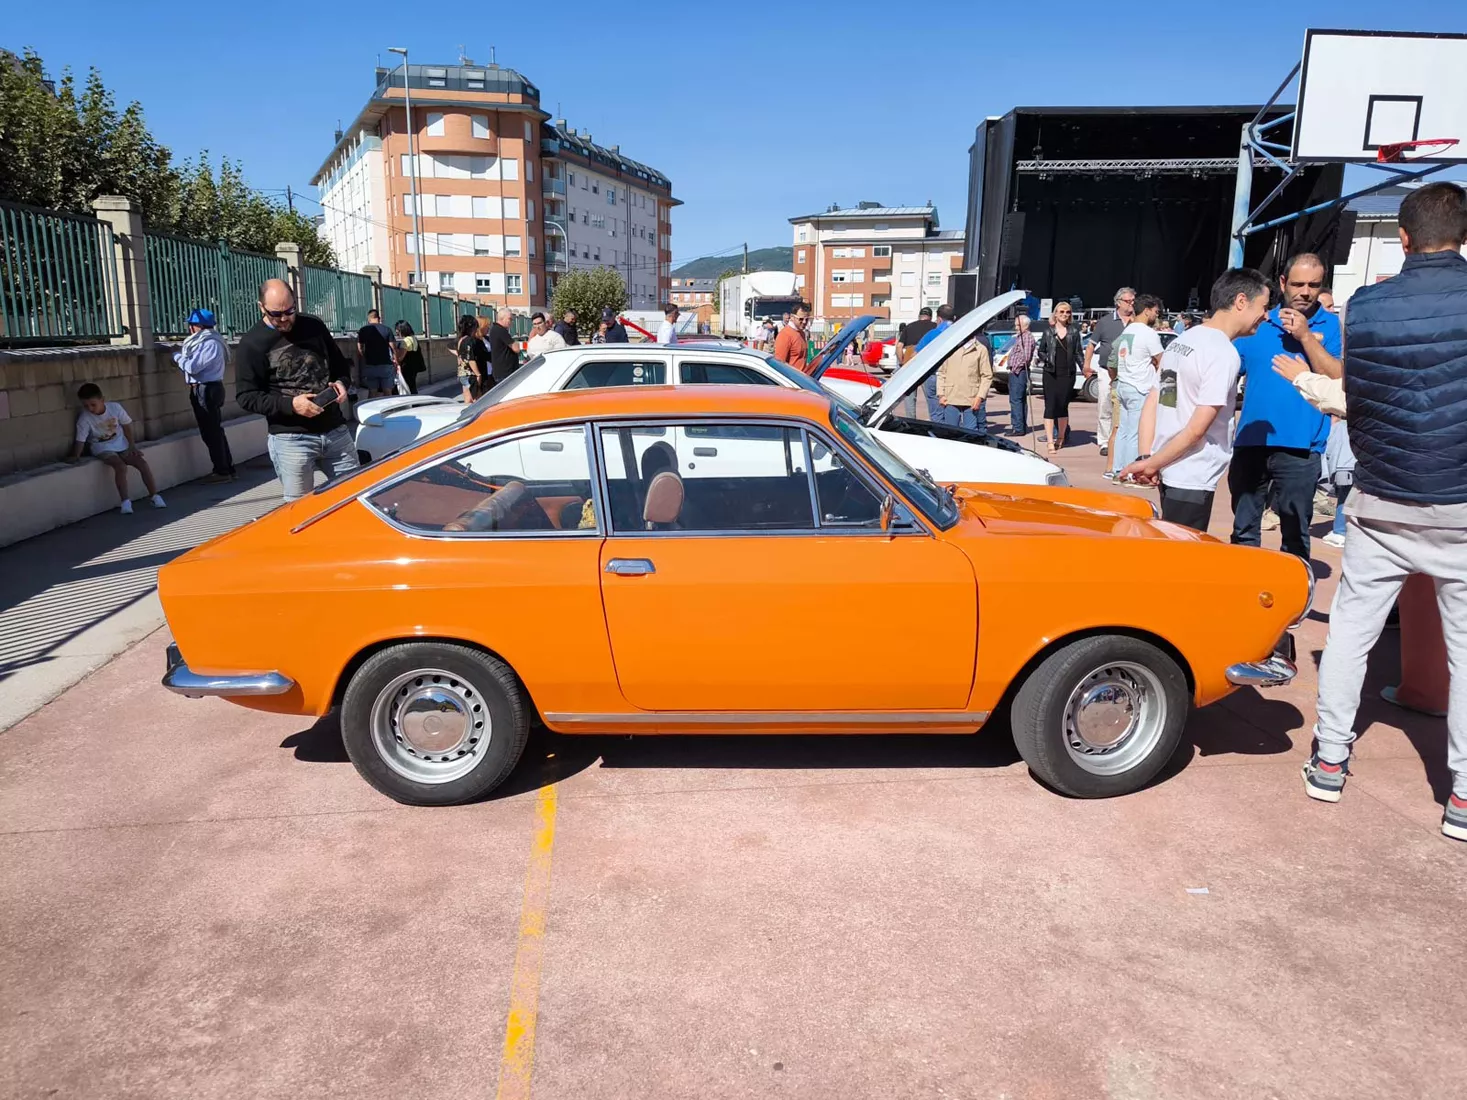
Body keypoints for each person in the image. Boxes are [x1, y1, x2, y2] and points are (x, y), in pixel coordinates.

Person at [1292, 181, 1467, 841]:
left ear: (1400, 238)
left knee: (1350, 635)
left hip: (1381, 498)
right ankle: (1460, 802)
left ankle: (1330, 759)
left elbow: (1356, 392)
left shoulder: (1366, 306)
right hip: (1458, 503)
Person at [1119, 270, 1270, 530]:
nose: (1266, 316)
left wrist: (1149, 457)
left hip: (1168, 468)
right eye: (1264, 307)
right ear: (1241, 301)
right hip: (1192, 473)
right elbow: (1197, 429)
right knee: (1182, 559)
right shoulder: (1223, 353)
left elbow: (1156, 399)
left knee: (1171, 550)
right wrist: (1151, 463)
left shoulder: (1184, 340)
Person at [1229, 253, 1340, 560]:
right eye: (1298, 284)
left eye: (1314, 285)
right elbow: (1224, 370)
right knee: (1244, 529)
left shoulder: (1330, 326)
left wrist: (1306, 336)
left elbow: (1338, 378)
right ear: (1282, 283)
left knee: (1295, 533)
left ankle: (1291, 598)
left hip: (1301, 449)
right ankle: (1242, 591)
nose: (1305, 291)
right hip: (1252, 442)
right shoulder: (1257, 324)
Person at [234, 278, 357, 502]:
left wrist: (341, 383)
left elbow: (341, 366)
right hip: (291, 439)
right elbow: (246, 397)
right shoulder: (252, 344)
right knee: (300, 510)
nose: (284, 318)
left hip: (335, 431)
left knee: (355, 498)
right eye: (276, 313)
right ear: (261, 307)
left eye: (290, 311)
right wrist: (291, 405)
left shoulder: (314, 326)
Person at [64, 382, 166, 513]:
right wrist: (75, 456)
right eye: (86, 406)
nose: (90, 409)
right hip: (102, 447)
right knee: (120, 467)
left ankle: (154, 496)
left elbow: (127, 426)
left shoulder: (115, 408)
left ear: (102, 400)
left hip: (121, 444)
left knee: (142, 463)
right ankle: (125, 502)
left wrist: (132, 446)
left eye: (93, 404)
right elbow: (80, 440)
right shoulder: (84, 418)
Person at [172, 306, 234, 482]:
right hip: (206, 388)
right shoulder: (207, 341)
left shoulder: (210, 343)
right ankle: (226, 468)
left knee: (211, 432)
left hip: (206, 389)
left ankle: (222, 471)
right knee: (214, 430)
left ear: (197, 326)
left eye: (191, 325)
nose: (189, 329)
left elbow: (193, 366)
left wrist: (177, 357)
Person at [1110, 294, 1165, 473]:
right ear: (1147, 310)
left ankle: (1118, 469)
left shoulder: (1128, 330)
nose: (1156, 316)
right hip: (1139, 386)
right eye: (1156, 312)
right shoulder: (1148, 333)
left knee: (1124, 431)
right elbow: (1163, 361)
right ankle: (1131, 471)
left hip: (1124, 384)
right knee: (1136, 432)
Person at [1085, 288, 1135, 461]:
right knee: (1105, 404)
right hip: (1106, 370)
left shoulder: (1137, 322)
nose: (1132, 304)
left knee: (1126, 406)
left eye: (1133, 301)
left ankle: (1124, 439)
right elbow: (1091, 345)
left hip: (1129, 372)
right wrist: (1086, 365)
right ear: (1118, 302)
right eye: (1129, 301)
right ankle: (1105, 441)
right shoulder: (1105, 322)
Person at [1038, 301, 1083, 454]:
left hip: (1067, 374)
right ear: (1055, 314)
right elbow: (1041, 351)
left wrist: (1085, 368)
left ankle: (1061, 438)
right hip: (1050, 373)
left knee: (1063, 406)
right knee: (1050, 406)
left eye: (1068, 312)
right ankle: (1050, 440)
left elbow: (1078, 353)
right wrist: (1047, 359)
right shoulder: (1048, 332)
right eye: (1062, 312)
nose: (1065, 315)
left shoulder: (1074, 332)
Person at [936, 333, 993, 431]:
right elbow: (941, 372)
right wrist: (941, 394)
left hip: (971, 398)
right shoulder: (950, 347)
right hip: (950, 397)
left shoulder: (980, 349)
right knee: (951, 432)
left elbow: (987, 376)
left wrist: (980, 397)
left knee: (971, 432)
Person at [915, 305, 955, 421]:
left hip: (933, 375)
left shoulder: (932, 334)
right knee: (953, 410)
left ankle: (940, 434)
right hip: (954, 376)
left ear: (939, 319)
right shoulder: (960, 334)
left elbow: (916, 355)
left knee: (936, 412)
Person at [899, 308, 937, 417]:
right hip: (928, 365)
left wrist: (902, 361)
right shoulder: (934, 327)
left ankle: (911, 422)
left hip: (910, 364)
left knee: (909, 397)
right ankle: (935, 421)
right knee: (931, 397)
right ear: (930, 317)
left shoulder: (909, 327)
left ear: (919, 316)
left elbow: (899, 346)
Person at [1005, 314, 1036, 436]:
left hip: (1019, 372)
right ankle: (1020, 426)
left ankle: (1018, 428)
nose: (1016, 327)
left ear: (1025, 325)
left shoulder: (1027, 337)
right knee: (1018, 400)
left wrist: (1015, 368)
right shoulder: (1020, 337)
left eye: (1018, 325)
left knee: (1016, 400)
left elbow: (1026, 357)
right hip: (1017, 372)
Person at [356, 309, 397, 399]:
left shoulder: (363, 330)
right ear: (379, 318)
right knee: (388, 392)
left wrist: (365, 358)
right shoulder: (387, 329)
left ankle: (371, 411)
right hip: (385, 365)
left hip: (370, 365)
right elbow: (393, 348)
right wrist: (396, 361)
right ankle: (390, 411)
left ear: (369, 319)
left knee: (372, 392)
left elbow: (359, 348)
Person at [454, 314, 488, 400]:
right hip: (470, 375)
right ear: (471, 328)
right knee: (478, 399)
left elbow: (460, 355)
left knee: (468, 399)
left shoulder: (460, 340)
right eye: (476, 327)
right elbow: (471, 359)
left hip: (462, 374)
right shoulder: (469, 340)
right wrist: (478, 374)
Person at [773, 306, 810, 371]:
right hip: (791, 378)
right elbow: (779, 364)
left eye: (806, 319)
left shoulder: (802, 333)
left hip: (801, 378)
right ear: (792, 317)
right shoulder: (785, 335)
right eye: (801, 319)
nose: (804, 322)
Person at [488, 308, 519, 385]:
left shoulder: (496, 329)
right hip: (505, 372)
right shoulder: (500, 330)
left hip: (503, 372)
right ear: (502, 318)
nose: (511, 321)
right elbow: (516, 349)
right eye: (509, 319)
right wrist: (516, 344)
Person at [394, 321, 425, 394]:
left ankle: (411, 403)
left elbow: (401, 357)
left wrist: (395, 359)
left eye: (397, 330)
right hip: (414, 368)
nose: (396, 332)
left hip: (407, 368)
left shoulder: (406, 341)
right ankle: (415, 403)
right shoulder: (413, 338)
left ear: (402, 330)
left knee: (406, 387)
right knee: (412, 386)